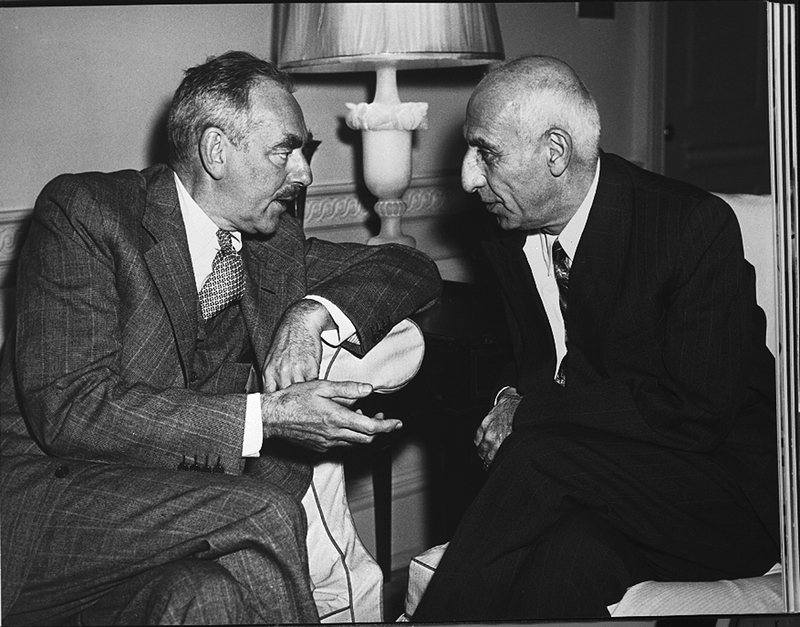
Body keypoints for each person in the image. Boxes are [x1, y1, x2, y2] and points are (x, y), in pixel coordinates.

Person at [0, 51, 441, 625]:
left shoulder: (271, 244)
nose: (305, 173)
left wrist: (309, 312)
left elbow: (409, 268)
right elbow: (71, 410)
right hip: (47, 509)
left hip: (178, 512)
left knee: (208, 598)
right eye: (285, 150)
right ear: (216, 150)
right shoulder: (87, 214)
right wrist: (268, 418)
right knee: (267, 513)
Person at [412, 55, 779, 620]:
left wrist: (528, 413)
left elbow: (696, 412)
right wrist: (508, 396)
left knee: (537, 454)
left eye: (486, 152)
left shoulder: (690, 227)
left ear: (556, 152)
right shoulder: (506, 233)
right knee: (568, 563)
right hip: (601, 486)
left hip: (720, 495)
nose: (468, 177)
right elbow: (533, 358)